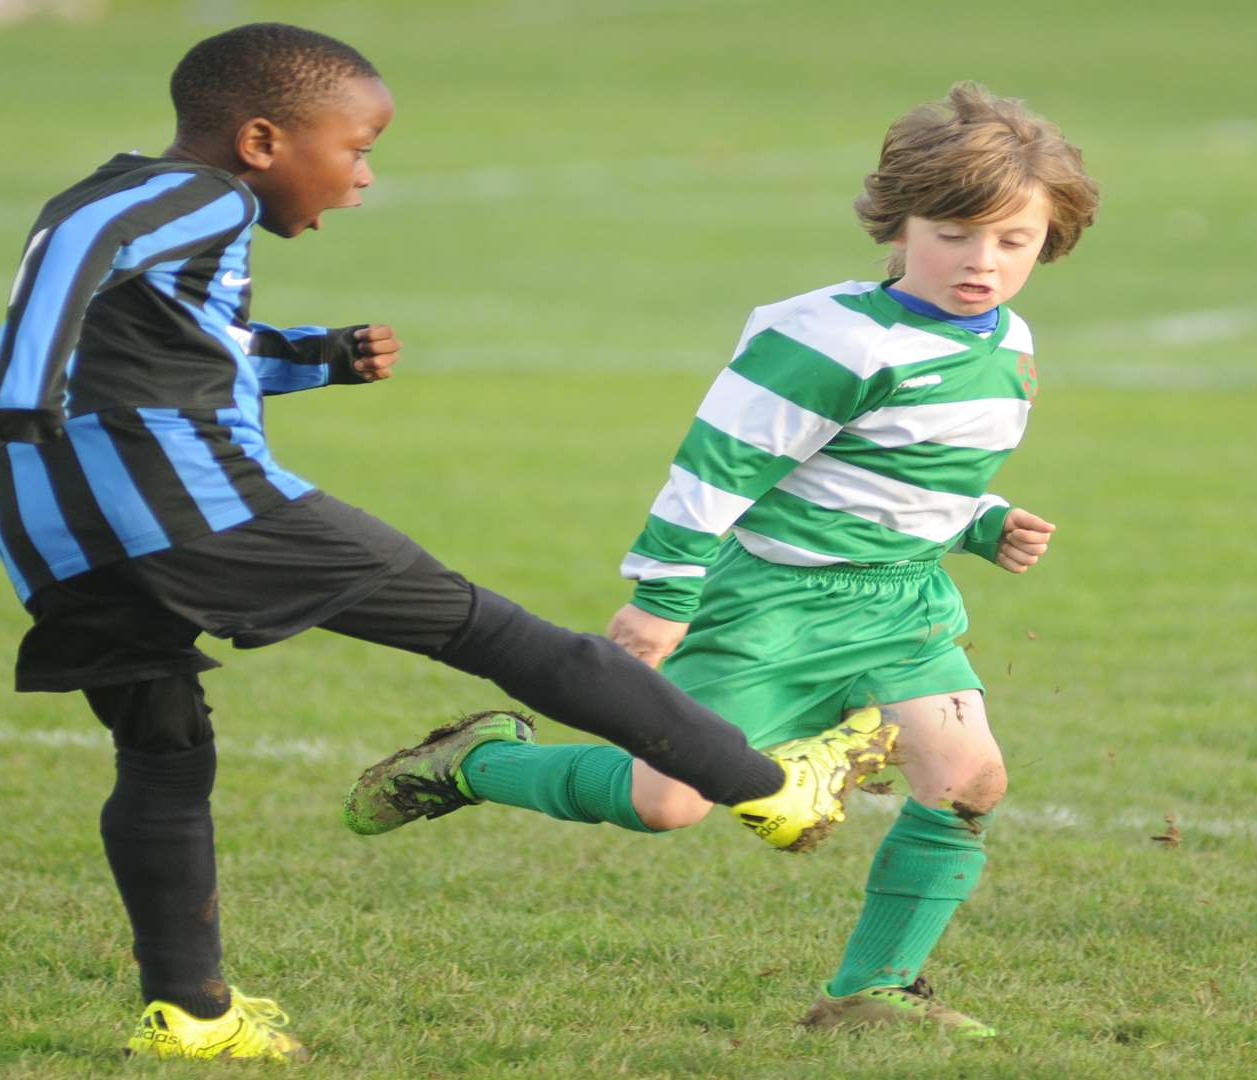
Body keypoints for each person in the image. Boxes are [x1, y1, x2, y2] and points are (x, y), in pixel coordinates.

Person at [0, 22, 892, 1063]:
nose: (364, 178)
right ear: (264, 140)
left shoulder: (180, 210)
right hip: (195, 506)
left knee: (164, 755)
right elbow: (72, 243)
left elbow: (171, 347)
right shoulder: (197, 193)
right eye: (356, 148)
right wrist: (16, 387)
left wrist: (315, 359)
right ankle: (773, 792)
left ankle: (191, 1012)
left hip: (55, 529)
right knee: (503, 636)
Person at [356, 81, 1099, 1037]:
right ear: (900, 220)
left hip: (900, 603)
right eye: (953, 232)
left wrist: (979, 523)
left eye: (1014, 241)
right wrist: (665, 596)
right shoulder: (829, 339)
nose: (981, 263)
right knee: (665, 802)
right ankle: (474, 763)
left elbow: (907, 471)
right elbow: (717, 470)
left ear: (1051, 241)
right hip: (771, 606)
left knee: (968, 781)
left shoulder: (1010, 342)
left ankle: (871, 992)